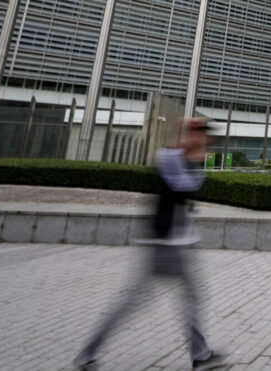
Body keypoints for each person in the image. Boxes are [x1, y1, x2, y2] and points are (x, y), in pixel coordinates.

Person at [75, 117, 229, 370]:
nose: (205, 141)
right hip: (165, 244)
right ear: (189, 135)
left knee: (155, 299)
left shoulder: (186, 160)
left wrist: (194, 159)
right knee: (156, 300)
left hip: (175, 241)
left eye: (206, 136)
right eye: (200, 135)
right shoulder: (169, 157)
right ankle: (200, 356)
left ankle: (88, 353)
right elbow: (182, 185)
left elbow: (189, 187)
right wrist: (192, 157)